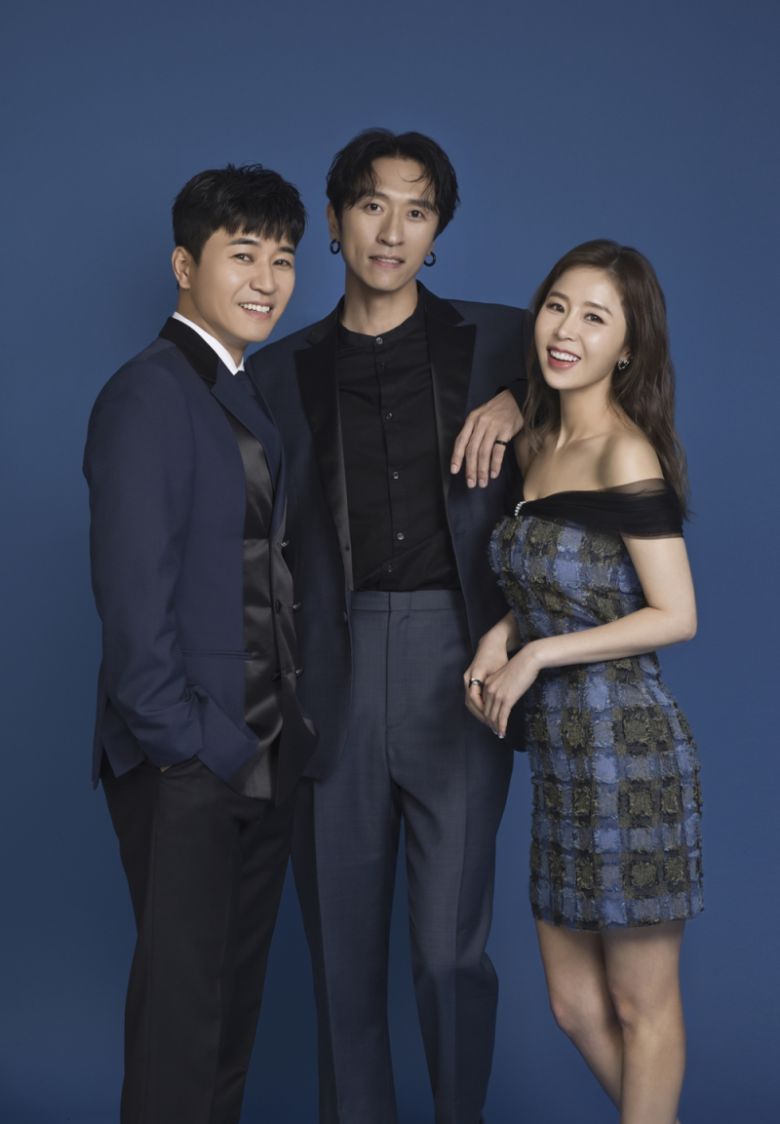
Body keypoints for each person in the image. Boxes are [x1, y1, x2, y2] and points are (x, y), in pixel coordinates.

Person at [248, 128, 530, 1124]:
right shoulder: (276, 374)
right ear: (335, 221)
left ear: (438, 230)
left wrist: (524, 402)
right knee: (343, 957)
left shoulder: (505, 342)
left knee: (450, 952)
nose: (393, 230)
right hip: (330, 664)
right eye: (373, 205)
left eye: (417, 210)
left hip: (462, 661)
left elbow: (620, 385)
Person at [83, 164, 317, 1124]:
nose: (267, 280)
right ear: (185, 266)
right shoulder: (148, 393)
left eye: (283, 259)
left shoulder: (239, 388)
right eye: (243, 255)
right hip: (189, 761)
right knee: (180, 1029)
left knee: (226, 1023)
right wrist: (188, 745)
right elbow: (133, 602)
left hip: (262, 751)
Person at [466, 239, 703, 1124]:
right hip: (562, 761)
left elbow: (675, 614)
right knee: (573, 1006)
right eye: (557, 307)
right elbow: (557, 586)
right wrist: (502, 634)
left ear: (628, 347)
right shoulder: (537, 441)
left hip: (629, 754)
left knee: (642, 1004)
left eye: (595, 318)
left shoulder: (624, 452)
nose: (566, 330)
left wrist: (534, 657)